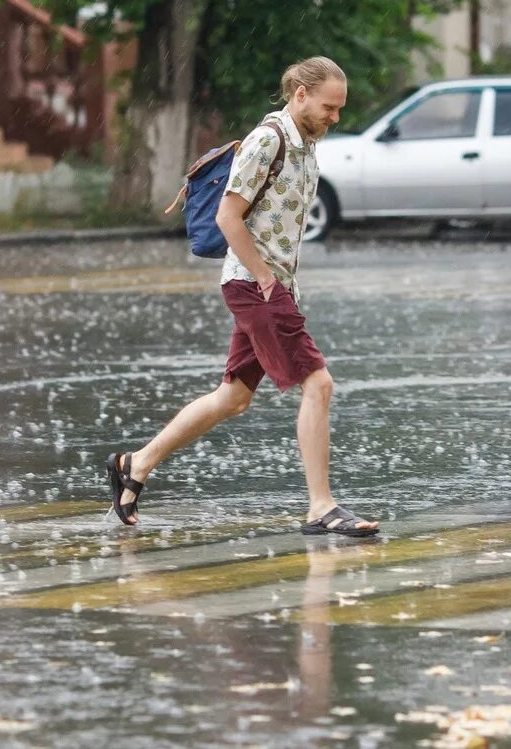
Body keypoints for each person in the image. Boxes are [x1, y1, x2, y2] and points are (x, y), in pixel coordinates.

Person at [106, 56, 379, 538]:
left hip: (270, 285)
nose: (335, 117)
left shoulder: (306, 144)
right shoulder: (268, 140)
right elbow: (227, 216)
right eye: (329, 107)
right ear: (300, 95)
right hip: (255, 286)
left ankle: (135, 464)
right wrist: (265, 278)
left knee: (232, 398)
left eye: (339, 109)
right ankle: (321, 507)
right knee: (319, 384)